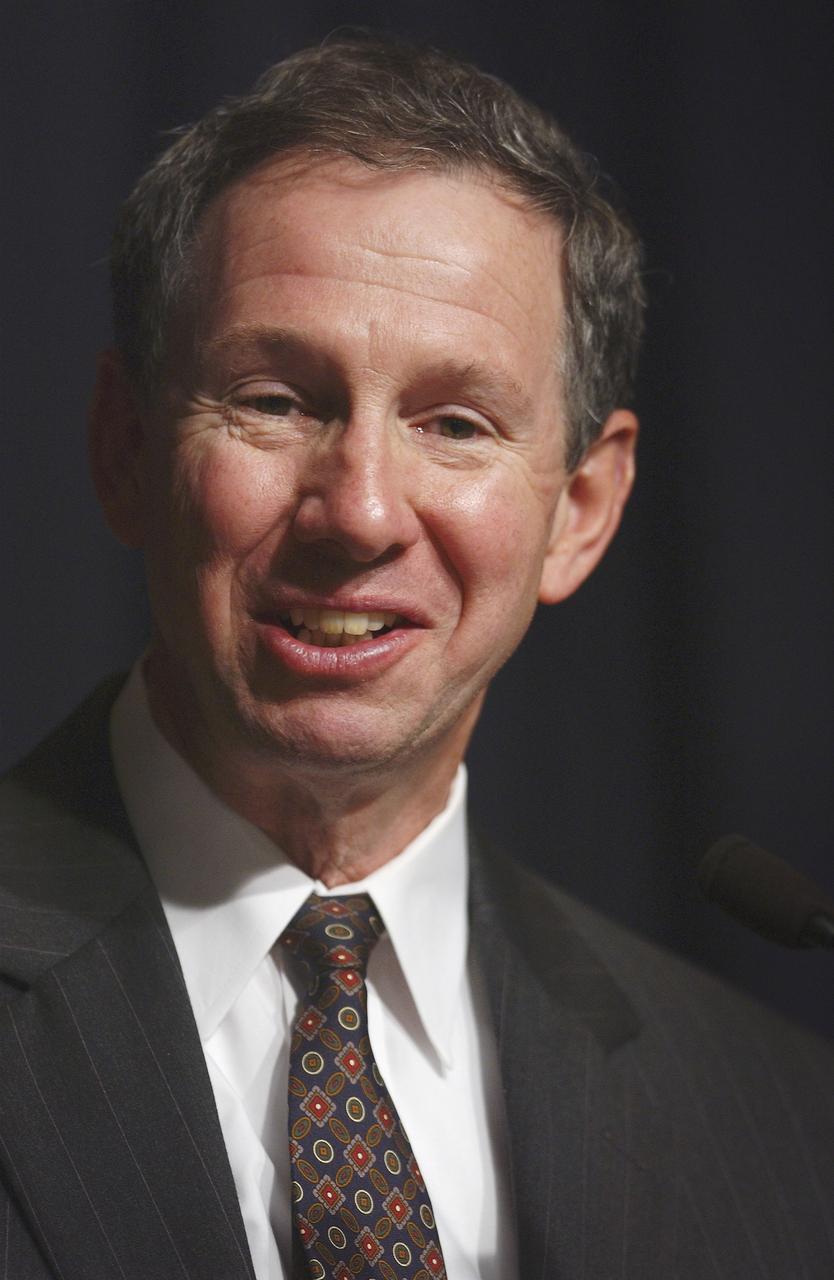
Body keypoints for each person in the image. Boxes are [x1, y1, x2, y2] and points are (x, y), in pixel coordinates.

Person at [1, 34, 832, 1280]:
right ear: (125, 446)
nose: (363, 510)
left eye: (455, 423)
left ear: (584, 509)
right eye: (277, 398)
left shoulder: (783, 1122)